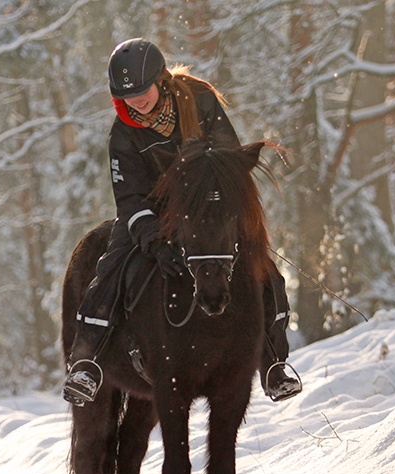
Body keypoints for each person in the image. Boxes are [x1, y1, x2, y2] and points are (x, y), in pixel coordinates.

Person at [63, 38, 302, 406]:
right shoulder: (123, 134)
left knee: (264, 268)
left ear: (160, 79)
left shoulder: (200, 98)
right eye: (128, 95)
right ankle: (87, 362)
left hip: (207, 205)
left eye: (143, 90)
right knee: (111, 266)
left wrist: (210, 194)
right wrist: (153, 241)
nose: (137, 100)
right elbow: (129, 198)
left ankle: (273, 363)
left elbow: (228, 157)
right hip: (152, 215)